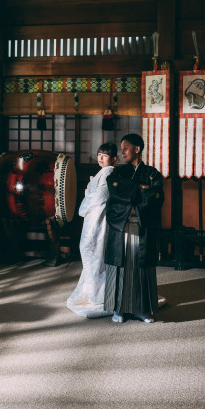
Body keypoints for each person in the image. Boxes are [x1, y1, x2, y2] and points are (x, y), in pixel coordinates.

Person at [104, 133, 164, 323]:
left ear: (137, 149)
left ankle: (141, 309)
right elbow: (114, 191)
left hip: (142, 226)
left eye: (126, 148)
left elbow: (155, 196)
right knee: (120, 266)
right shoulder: (118, 173)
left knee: (140, 268)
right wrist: (140, 189)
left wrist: (130, 191)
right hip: (121, 226)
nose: (122, 152)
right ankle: (118, 309)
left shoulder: (152, 173)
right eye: (121, 148)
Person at [66, 142, 118, 318]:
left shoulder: (109, 172)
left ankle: (99, 295)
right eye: (99, 154)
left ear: (113, 159)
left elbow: (100, 196)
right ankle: (94, 292)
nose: (101, 158)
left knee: (95, 252)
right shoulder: (103, 172)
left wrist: (84, 205)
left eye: (105, 155)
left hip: (99, 217)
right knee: (91, 251)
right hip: (93, 216)